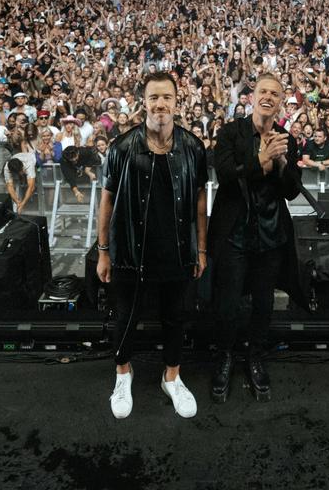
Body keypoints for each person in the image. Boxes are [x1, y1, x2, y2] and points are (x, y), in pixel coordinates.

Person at [95, 72, 209, 420]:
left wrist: (200, 249)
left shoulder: (192, 147)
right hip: (130, 253)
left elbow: (200, 202)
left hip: (176, 252)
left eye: (167, 98)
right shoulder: (122, 147)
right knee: (126, 319)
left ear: (177, 101)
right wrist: (103, 251)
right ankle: (123, 374)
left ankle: (171, 377)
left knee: (176, 318)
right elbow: (107, 202)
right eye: (154, 98)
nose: (160, 104)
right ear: (143, 102)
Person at [206, 73, 303, 403]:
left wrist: (281, 163)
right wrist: (261, 161)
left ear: (279, 102)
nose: (268, 97)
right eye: (263, 91)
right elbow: (225, 177)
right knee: (228, 304)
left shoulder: (285, 138)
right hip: (234, 234)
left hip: (270, 235)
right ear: (251, 96)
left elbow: (291, 190)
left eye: (275, 94)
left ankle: (256, 357)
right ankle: (223, 356)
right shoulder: (231, 133)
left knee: (263, 304)